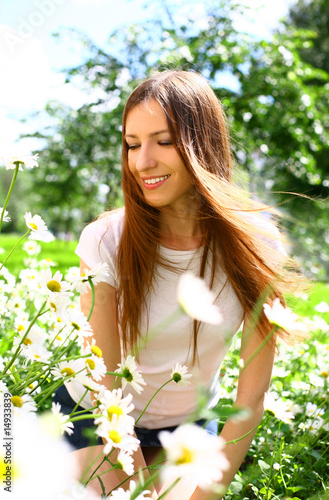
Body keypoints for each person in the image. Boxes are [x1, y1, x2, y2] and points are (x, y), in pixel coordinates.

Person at [55, 70, 302, 498]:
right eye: (132, 145)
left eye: (163, 141)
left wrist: (204, 491)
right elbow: (105, 388)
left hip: (186, 427)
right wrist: (129, 481)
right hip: (95, 417)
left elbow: (251, 400)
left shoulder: (259, 244)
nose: (142, 161)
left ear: (202, 143)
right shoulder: (105, 240)